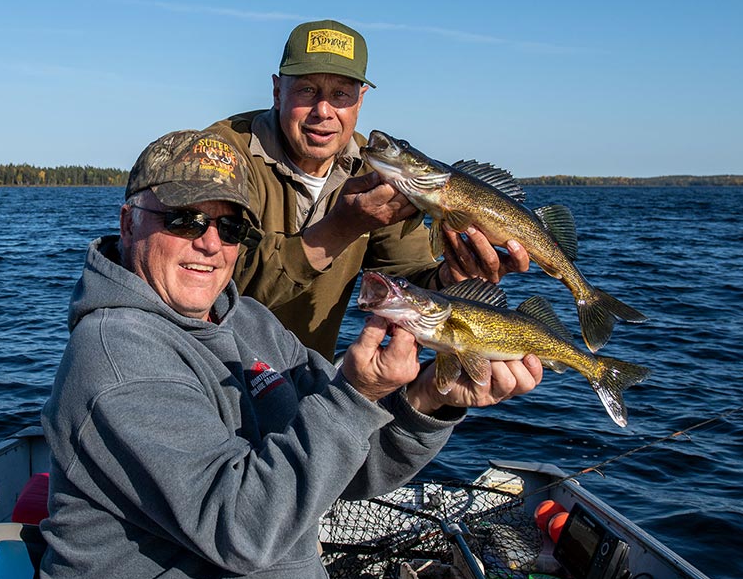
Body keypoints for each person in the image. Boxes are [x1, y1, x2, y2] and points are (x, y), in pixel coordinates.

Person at [31, 129, 543, 579]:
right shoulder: (116, 356)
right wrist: (354, 397)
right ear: (130, 221)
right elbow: (240, 529)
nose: (210, 243)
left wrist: (429, 398)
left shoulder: (249, 323)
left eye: (232, 226)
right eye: (184, 219)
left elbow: (355, 466)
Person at [208, 19, 530, 359]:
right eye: (306, 90)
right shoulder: (220, 155)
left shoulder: (377, 171)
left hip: (305, 383)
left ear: (360, 100)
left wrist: (453, 277)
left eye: (341, 94)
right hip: (208, 372)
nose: (323, 111)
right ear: (277, 91)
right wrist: (340, 228)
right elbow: (212, 290)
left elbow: (412, 277)